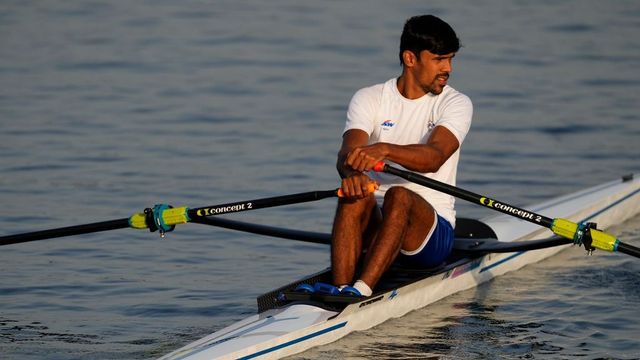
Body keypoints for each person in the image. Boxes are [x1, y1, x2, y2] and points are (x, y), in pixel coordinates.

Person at [331, 15, 473, 297]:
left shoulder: (456, 103)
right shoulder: (369, 97)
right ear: (410, 58)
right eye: (439, 60)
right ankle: (339, 290)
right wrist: (352, 174)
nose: (448, 68)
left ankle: (362, 290)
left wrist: (384, 149)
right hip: (376, 225)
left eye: (451, 59)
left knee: (399, 195)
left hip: (431, 233)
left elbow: (434, 158)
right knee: (354, 191)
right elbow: (348, 153)